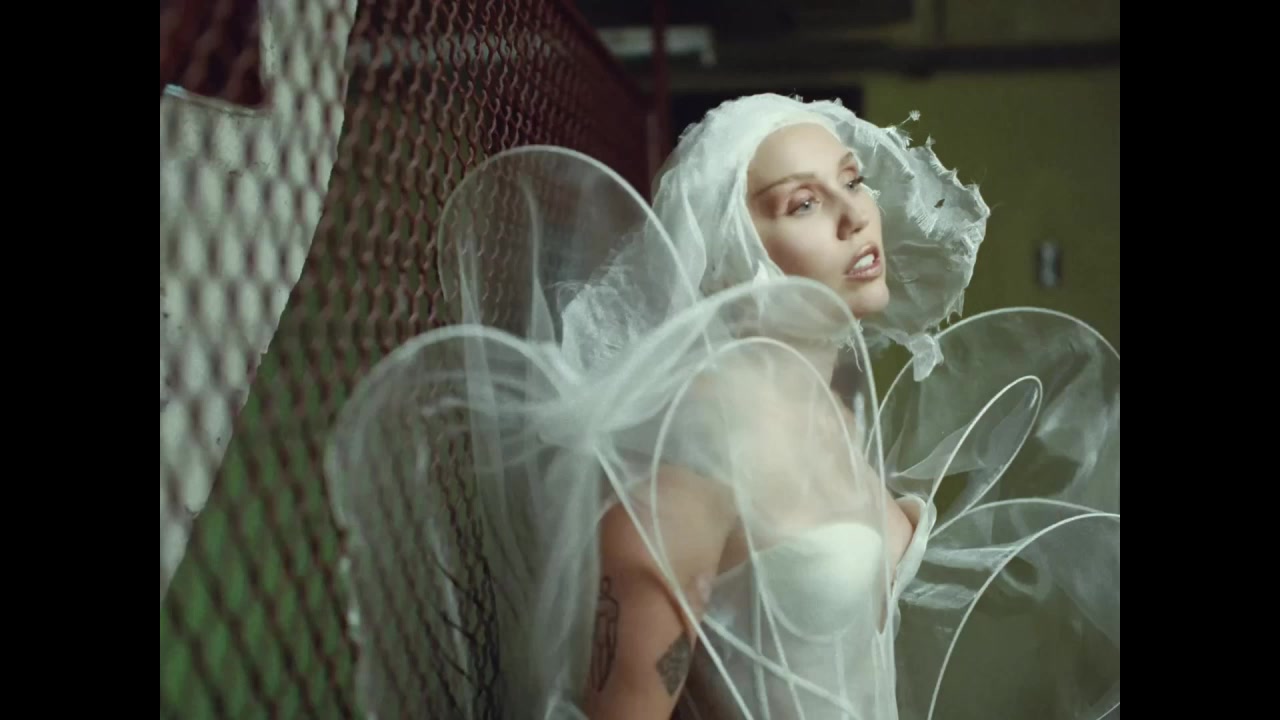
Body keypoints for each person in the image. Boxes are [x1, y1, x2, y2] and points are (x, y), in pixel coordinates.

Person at [325, 94, 1120, 720]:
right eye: (801, 203)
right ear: (734, 249)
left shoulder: (833, 403)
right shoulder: (703, 430)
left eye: (852, 181)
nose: (854, 216)